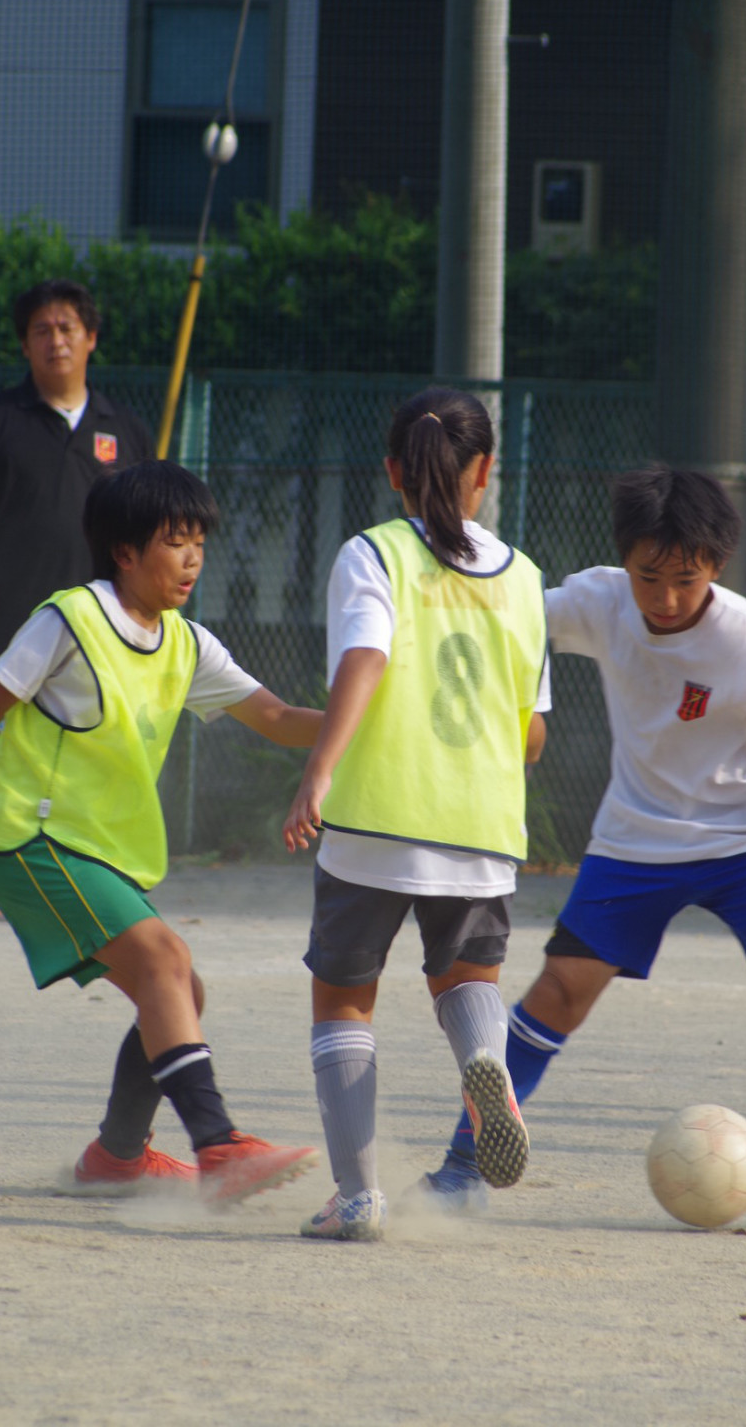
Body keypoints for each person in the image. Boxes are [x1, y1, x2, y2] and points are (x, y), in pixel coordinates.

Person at [425, 462, 746, 1208]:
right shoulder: (601, 600)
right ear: (626, 559)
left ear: (717, 566)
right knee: (558, 994)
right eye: (651, 577)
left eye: (688, 579)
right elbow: (507, 611)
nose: (669, 598)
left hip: (744, 841)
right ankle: (461, 1167)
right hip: (635, 843)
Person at [0, 461, 322, 1205]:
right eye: (175, 540)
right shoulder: (68, 618)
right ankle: (219, 1144)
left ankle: (116, 1156)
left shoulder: (186, 642)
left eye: (199, 539)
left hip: (95, 849)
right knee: (167, 957)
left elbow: (279, 719)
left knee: (179, 987)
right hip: (26, 835)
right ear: (125, 553)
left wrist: (366, 722)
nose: (193, 556)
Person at [282, 386, 550, 1241]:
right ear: (487, 471)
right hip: (478, 826)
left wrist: (318, 773)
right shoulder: (525, 578)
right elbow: (533, 734)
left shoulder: (374, 554)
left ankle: (357, 1197)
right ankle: (483, 1059)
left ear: (392, 471)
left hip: (375, 817)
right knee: (469, 980)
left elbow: (365, 656)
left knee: (343, 1003)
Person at [0, 278, 154, 675]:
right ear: (25, 345)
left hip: (97, 633)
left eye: (66, 329)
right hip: (0, 634)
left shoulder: (128, 430)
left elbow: (148, 535)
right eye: (41, 331)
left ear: (90, 337)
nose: (55, 341)